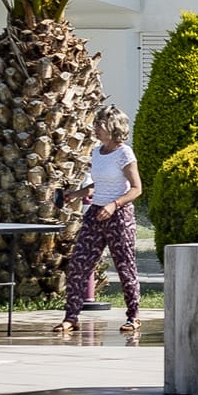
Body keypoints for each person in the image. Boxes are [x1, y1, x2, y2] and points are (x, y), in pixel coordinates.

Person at [60, 107, 143, 338]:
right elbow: (98, 184)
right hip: (96, 214)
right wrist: (76, 194)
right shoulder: (97, 152)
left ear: (114, 127)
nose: (96, 127)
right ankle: (71, 317)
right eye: (96, 123)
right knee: (78, 264)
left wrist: (114, 205)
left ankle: (133, 316)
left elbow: (136, 189)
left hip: (119, 216)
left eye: (100, 124)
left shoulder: (124, 154)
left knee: (125, 267)